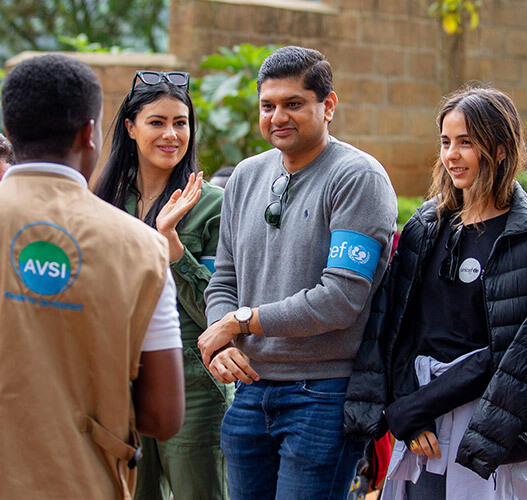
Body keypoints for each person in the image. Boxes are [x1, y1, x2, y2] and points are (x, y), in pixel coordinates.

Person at [197, 46, 397, 500]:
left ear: (327, 106)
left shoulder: (357, 177)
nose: (277, 116)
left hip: (322, 395)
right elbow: (224, 277)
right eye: (268, 106)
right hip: (249, 392)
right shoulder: (246, 177)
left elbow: (340, 299)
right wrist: (221, 334)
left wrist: (239, 321)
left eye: (293, 104)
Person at [348, 87, 527, 499]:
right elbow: (396, 325)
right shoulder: (425, 226)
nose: (451, 155)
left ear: (501, 149)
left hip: (489, 417)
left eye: (466, 142)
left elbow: (516, 348)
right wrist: (408, 412)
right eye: (446, 142)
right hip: (420, 422)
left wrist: (416, 406)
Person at [0, 54, 184, 499]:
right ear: (89, 132)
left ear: (10, 130)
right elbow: (162, 416)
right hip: (80, 482)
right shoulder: (142, 248)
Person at [94, 70, 230, 500]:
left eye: (181, 122)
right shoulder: (107, 202)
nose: (172, 134)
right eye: (157, 122)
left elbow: (216, 311)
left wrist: (172, 245)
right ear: (131, 128)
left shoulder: (212, 205)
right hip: (117, 378)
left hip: (192, 383)